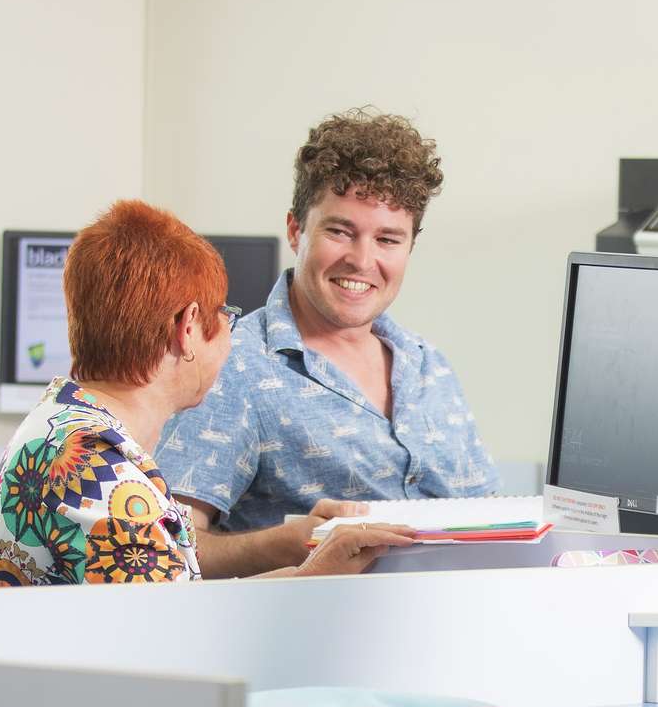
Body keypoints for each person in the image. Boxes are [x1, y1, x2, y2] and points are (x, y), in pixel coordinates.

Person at [0, 199, 411, 588]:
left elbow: (180, 599)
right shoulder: (103, 478)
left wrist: (310, 569)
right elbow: (178, 636)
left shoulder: (60, 426)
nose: (229, 330)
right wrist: (313, 580)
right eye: (224, 314)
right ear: (188, 328)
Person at [156, 108, 500, 577]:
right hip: (315, 622)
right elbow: (170, 551)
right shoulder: (233, 365)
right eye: (340, 231)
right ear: (296, 230)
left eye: (388, 239)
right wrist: (286, 546)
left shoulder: (428, 366)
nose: (362, 260)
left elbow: (492, 519)